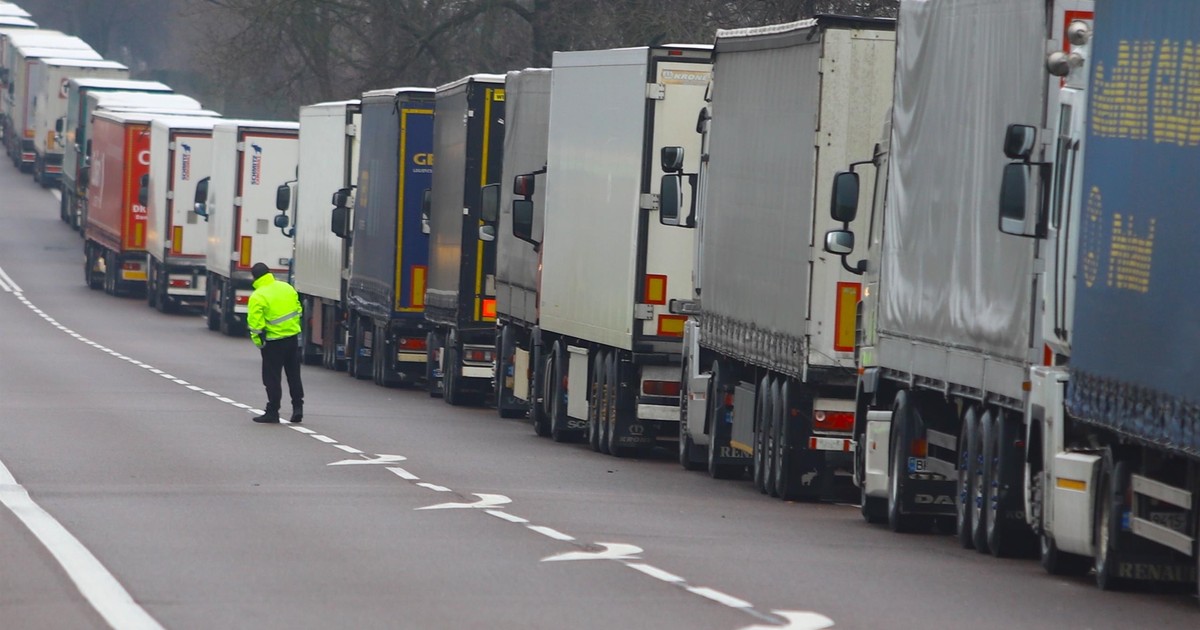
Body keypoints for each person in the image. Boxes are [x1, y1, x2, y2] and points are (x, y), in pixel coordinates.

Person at [247, 262, 304, 423]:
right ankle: (297, 408)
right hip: (292, 339)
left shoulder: (258, 296)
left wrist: (259, 343)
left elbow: (255, 326)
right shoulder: (286, 288)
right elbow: (298, 309)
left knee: (272, 378)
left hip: (273, 343)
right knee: (294, 375)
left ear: (255, 277)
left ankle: (273, 411)